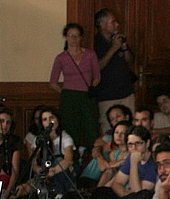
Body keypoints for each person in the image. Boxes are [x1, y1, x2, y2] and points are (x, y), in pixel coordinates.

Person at [49, 22, 101, 150]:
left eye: (77, 36)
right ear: (66, 37)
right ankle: (72, 160)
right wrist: (65, 92)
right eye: (71, 35)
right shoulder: (61, 58)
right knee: (70, 130)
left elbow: (97, 77)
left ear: (81, 37)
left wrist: (91, 87)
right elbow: (52, 82)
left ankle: (92, 159)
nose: (74, 39)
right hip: (69, 98)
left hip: (87, 96)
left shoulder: (90, 54)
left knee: (91, 130)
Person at [92, 8, 135, 133]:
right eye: (113, 22)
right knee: (110, 131)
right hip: (107, 95)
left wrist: (124, 48)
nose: (117, 24)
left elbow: (130, 61)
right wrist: (114, 48)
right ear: (102, 24)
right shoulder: (95, 43)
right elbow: (97, 67)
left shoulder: (118, 39)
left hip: (126, 92)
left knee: (130, 129)